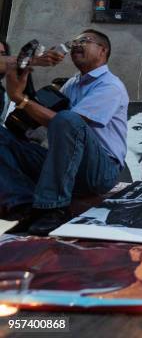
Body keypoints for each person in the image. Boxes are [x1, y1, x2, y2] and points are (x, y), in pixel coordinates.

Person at [0, 29, 129, 235]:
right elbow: (43, 122)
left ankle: (53, 208)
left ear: (103, 50)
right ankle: (24, 205)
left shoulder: (110, 86)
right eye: (75, 41)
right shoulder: (71, 84)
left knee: (69, 118)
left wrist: (20, 99)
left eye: (85, 41)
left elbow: (65, 123)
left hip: (99, 171)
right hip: (65, 163)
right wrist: (23, 89)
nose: (77, 45)